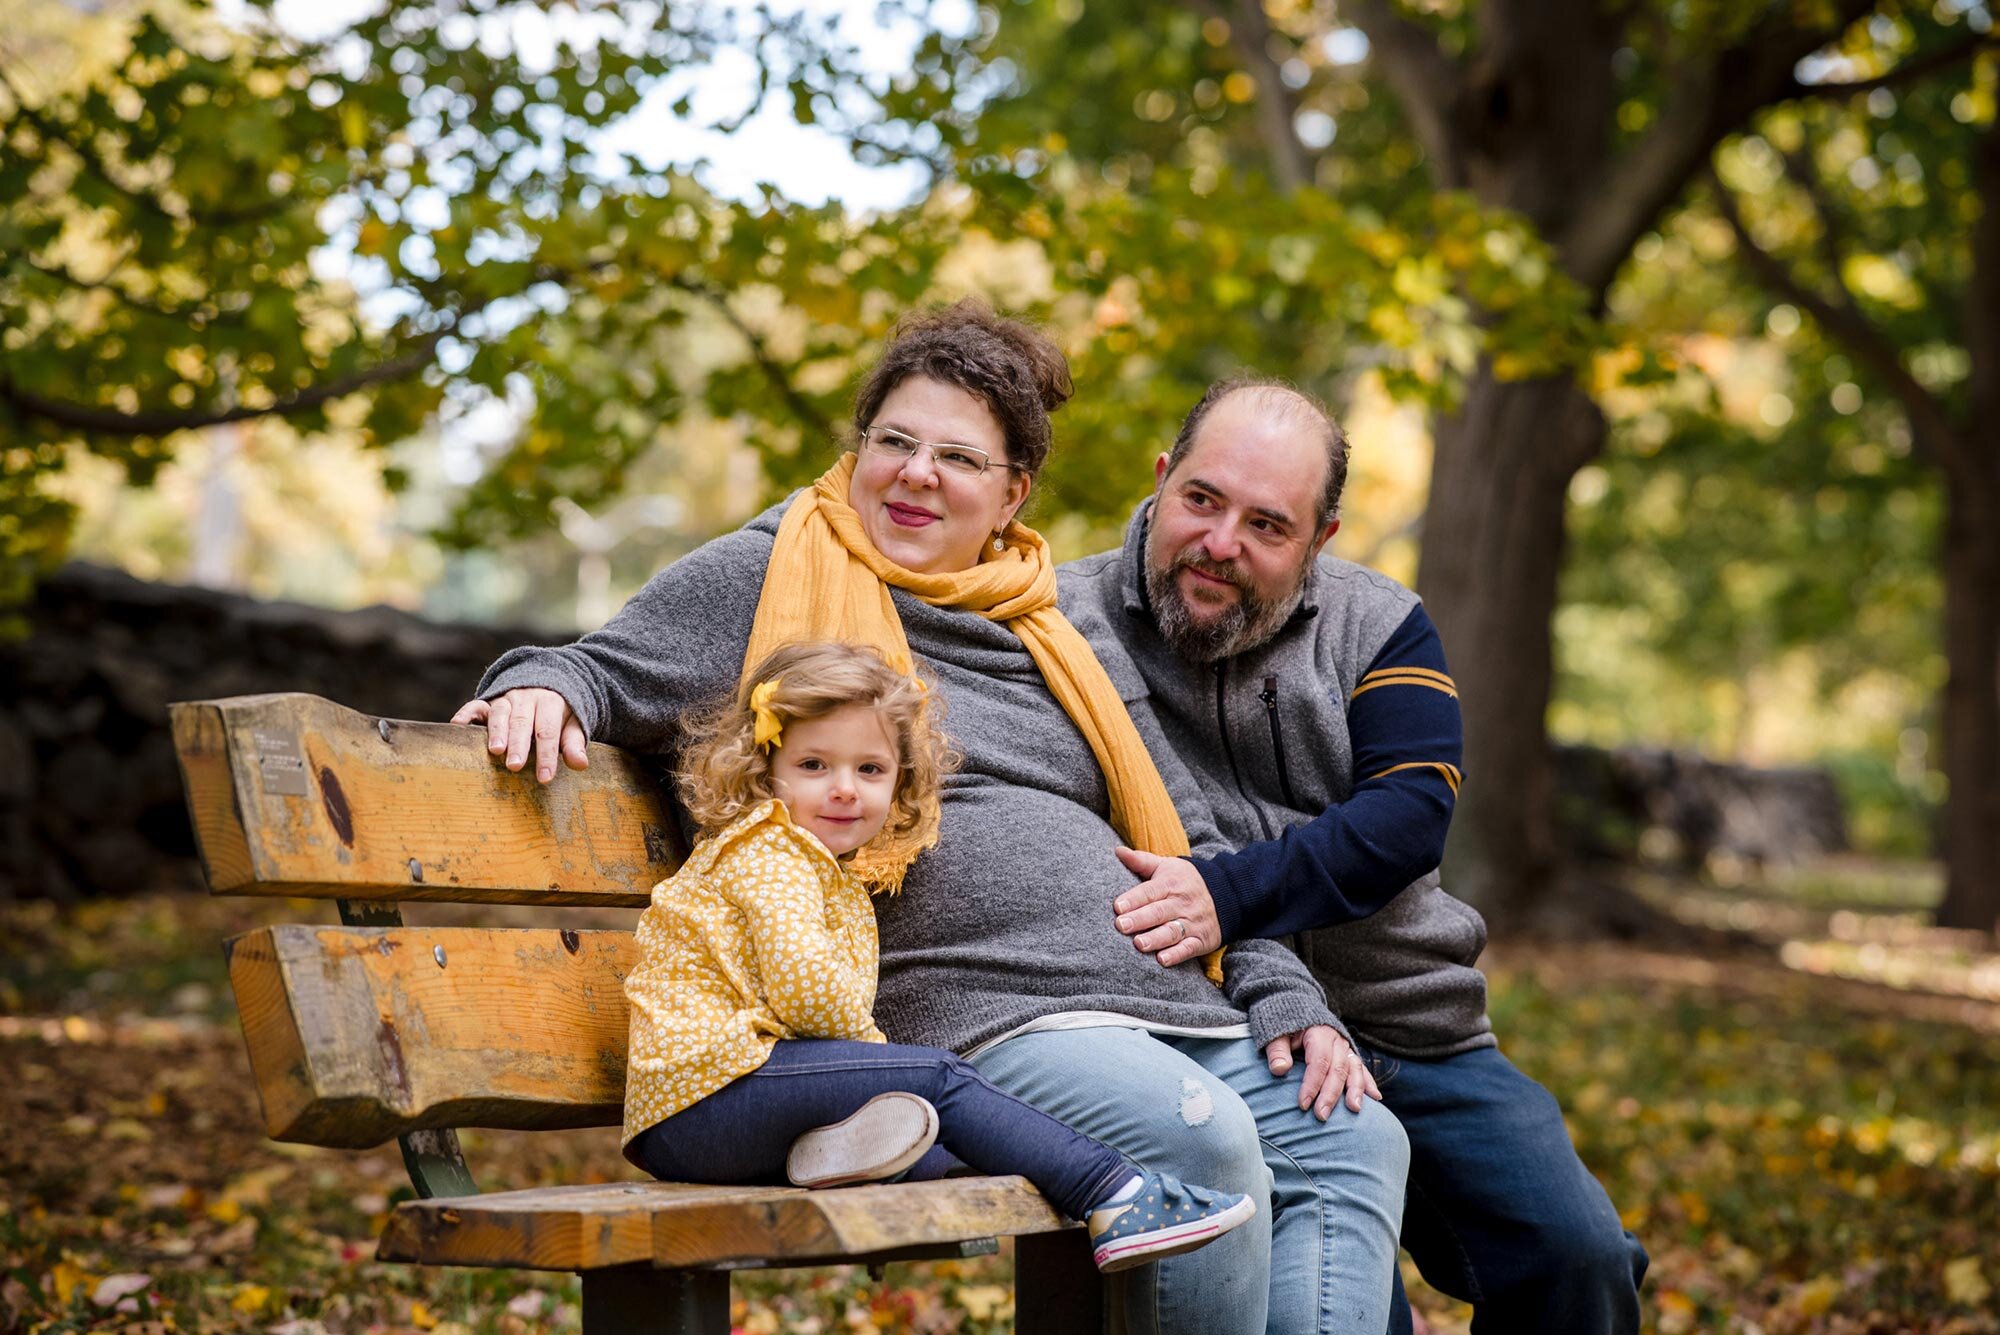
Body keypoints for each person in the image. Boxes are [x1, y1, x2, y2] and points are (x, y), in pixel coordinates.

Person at [452, 304, 1410, 1335]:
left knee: (1352, 1139)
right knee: (1204, 1140)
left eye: (957, 456)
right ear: (857, 450)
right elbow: (594, 668)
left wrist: (1284, 995)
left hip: (1162, 1001)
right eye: (893, 442)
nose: (915, 474)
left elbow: (1187, 842)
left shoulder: (1051, 626)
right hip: (972, 1018)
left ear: (1011, 494)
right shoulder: (771, 575)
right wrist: (540, 689)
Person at [1060, 376, 1648, 1334]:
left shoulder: (1381, 622)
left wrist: (1229, 890)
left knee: (1577, 1260)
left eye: (1267, 525)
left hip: (1414, 1023)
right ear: (1163, 479)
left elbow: (1410, 815)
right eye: (1202, 500)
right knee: (1350, 1306)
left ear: (1320, 541)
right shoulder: (1066, 623)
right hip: (1232, 1035)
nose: (1220, 544)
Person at [621, 640, 1256, 1272]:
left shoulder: (816, 866)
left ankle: (853, 1165)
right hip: (704, 1100)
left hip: (728, 1102)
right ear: (766, 770)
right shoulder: (772, 856)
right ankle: (1115, 1195)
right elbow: (808, 992)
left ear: (901, 782)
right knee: (933, 1078)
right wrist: (881, 1064)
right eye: (814, 765)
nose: (844, 790)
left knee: (927, 1143)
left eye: (869, 770)